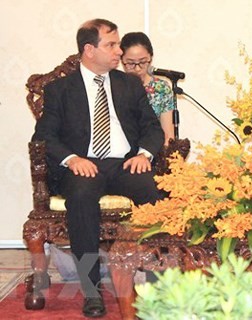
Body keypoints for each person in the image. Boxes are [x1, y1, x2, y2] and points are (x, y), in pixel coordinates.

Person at [32, 19, 164, 318]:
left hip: (124, 164)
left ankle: (159, 282)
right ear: (89, 50)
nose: (119, 51)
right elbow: (44, 137)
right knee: (80, 198)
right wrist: (72, 159)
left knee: (156, 191)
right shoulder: (60, 90)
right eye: (111, 45)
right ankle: (92, 290)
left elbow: (151, 128)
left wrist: (144, 153)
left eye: (117, 44)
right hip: (83, 166)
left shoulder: (129, 84)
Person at [120, 32, 175, 145]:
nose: (137, 69)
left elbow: (168, 135)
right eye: (130, 63)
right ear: (121, 60)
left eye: (143, 62)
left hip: (153, 152)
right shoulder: (116, 86)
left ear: (151, 57)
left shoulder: (161, 89)